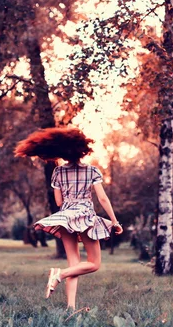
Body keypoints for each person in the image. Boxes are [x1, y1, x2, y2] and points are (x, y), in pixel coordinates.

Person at [15, 127, 123, 310]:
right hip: (86, 217)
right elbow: (102, 198)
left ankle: (70, 308)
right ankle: (59, 275)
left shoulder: (57, 173)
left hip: (66, 217)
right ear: (82, 150)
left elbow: (58, 202)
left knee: (74, 263)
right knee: (94, 264)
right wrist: (114, 222)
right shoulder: (92, 171)